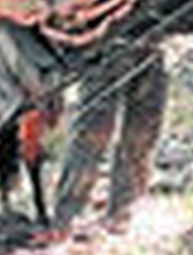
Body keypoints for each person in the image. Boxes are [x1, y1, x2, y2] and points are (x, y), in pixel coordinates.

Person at [52, 45, 167, 228]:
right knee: (93, 133)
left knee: (143, 132)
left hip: (149, 43)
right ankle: (67, 216)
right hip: (103, 46)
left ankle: (125, 209)